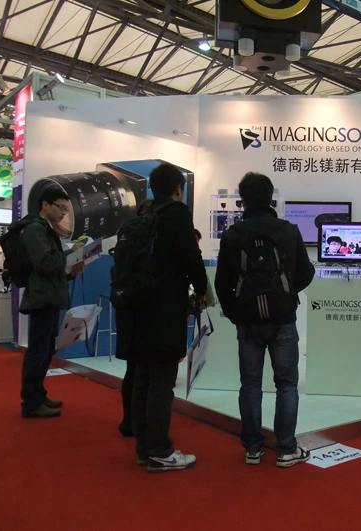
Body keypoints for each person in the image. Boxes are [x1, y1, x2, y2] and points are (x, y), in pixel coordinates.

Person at [215, 172, 314, 467]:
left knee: (250, 384)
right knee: (286, 385)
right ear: (271, 198)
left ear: (242, 199)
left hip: (248, 321)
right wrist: (286, 294)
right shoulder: (288, 230)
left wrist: (235, 313)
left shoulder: (233, 234)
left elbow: (222, 282)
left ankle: (253, 448)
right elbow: (306, 272)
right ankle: (286, 449)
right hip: (282, 319)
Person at [125, 162, 208, 472]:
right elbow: (191, 258)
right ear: (178, 190)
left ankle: (144, 449)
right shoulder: (176, 214)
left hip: (138, 308)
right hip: (165, 309)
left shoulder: (144, 216)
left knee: (143, 379)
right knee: (162, 382)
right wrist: (202, 290)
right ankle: (161, 451)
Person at [20, 186, 86, 418]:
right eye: (60, 207)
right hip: (42, 298)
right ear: (45, 205)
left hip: (49, 296)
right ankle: (31, 403)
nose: (64, 213)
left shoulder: (46, 230)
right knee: (38, 352)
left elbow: (53, 267)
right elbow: (44, 263)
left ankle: (38, 395)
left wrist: (71, 271)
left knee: (46, 350)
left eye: (66, 209)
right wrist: (71, 253)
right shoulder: (35, 229)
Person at [115, 198, 153, 437]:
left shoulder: (126, 231)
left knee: (133, 368)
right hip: (146, 306)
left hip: (125, 303)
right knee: (148, 371)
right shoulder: (152, 233)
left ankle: (129, 421)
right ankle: (144, 423)